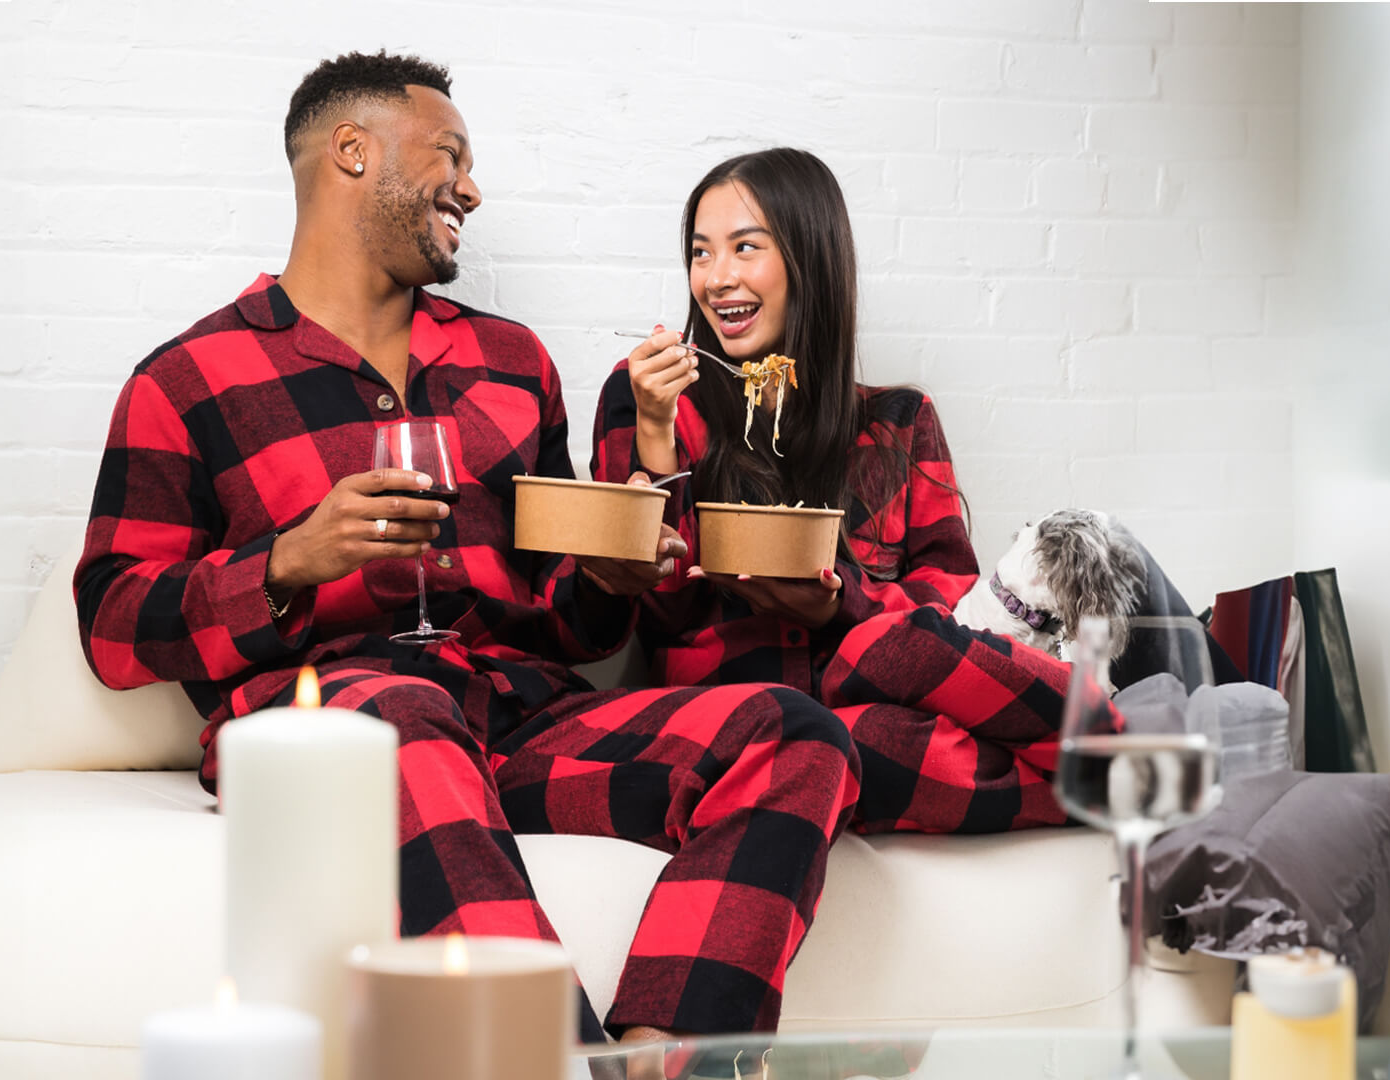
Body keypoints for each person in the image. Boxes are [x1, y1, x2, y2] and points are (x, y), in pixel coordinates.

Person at [73, 55, 857, 1043]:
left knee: (792, 733)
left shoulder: (511, 363)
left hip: (515, 721)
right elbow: (110, 621)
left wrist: (611, 574)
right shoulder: (187, 379)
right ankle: (551, 1064)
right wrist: (284, 562)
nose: (473, 189)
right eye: (450, 156)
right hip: (348, 731)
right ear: (351, 153)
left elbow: (570, 621)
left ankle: (665, 1061)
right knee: (403, 712)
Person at [594, 147, 1076, 834]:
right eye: (701, 253)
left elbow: (948, 606)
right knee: (854, 742)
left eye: (745, 248)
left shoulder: (898, 423)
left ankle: (1126, 746)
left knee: (886, 700)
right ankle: (1127, 764)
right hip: (748, 726)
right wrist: (651, 428)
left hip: (881, 696)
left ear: (808, 261)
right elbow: (656, 608)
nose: (717, 277)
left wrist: (839, 607)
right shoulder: (656, 399)